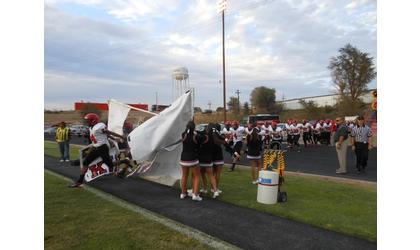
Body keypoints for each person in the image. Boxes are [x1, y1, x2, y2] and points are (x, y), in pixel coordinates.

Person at [68, 113, 125, 188]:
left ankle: (124, 161)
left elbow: (108, 132)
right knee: (85, 163)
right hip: (96, 147)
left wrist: (120, 137)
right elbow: (105, 135)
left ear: (93, 121)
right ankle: (79, 182)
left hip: (102, 147)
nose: (87, 122)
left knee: (110, 164)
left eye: (88, 120)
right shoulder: (91, 127)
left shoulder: (99, 126)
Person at [179, 121, 202, 201]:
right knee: (196, 176)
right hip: (193, 159)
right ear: (194, 127)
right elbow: (200, 141)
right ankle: (195, 195)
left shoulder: (183, 134)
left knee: (184, 176)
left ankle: (183, 193)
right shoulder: (196, 136)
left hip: (183, 158)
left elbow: (186, 134)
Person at [197, 124, 220, 198]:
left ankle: (202, 189)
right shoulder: (212, 138)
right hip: (209, 159)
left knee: (200, 175)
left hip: (201, 160)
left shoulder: (202, 138)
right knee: (211, 176)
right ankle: (215, 190)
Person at [210, 123, 226, 194]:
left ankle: (213, 188)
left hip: (212, 156)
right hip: (218, 156)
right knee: (217, 174)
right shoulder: (217, 135)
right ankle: (215, 188)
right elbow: (220, 142)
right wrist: (224, 141)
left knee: (213, 174)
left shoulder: (211, 134)